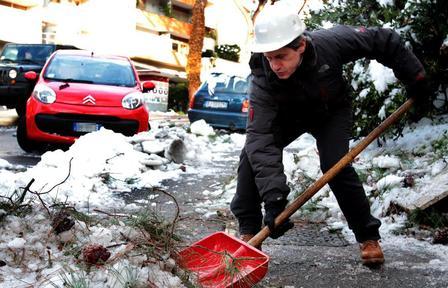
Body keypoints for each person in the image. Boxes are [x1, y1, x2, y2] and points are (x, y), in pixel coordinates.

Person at [230, 1, 428, 266]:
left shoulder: (329, 43)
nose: (275, 65)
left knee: (335, 164)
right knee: (249, 158)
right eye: (269, 57)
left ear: (300, 46)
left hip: (330, 111)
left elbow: (383, 39)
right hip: (286, 117)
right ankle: (249, 233)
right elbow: (260, 138)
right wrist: (274, 198)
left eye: (281, 56)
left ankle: (368, 236)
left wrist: (415, 77)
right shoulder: (262, 80)